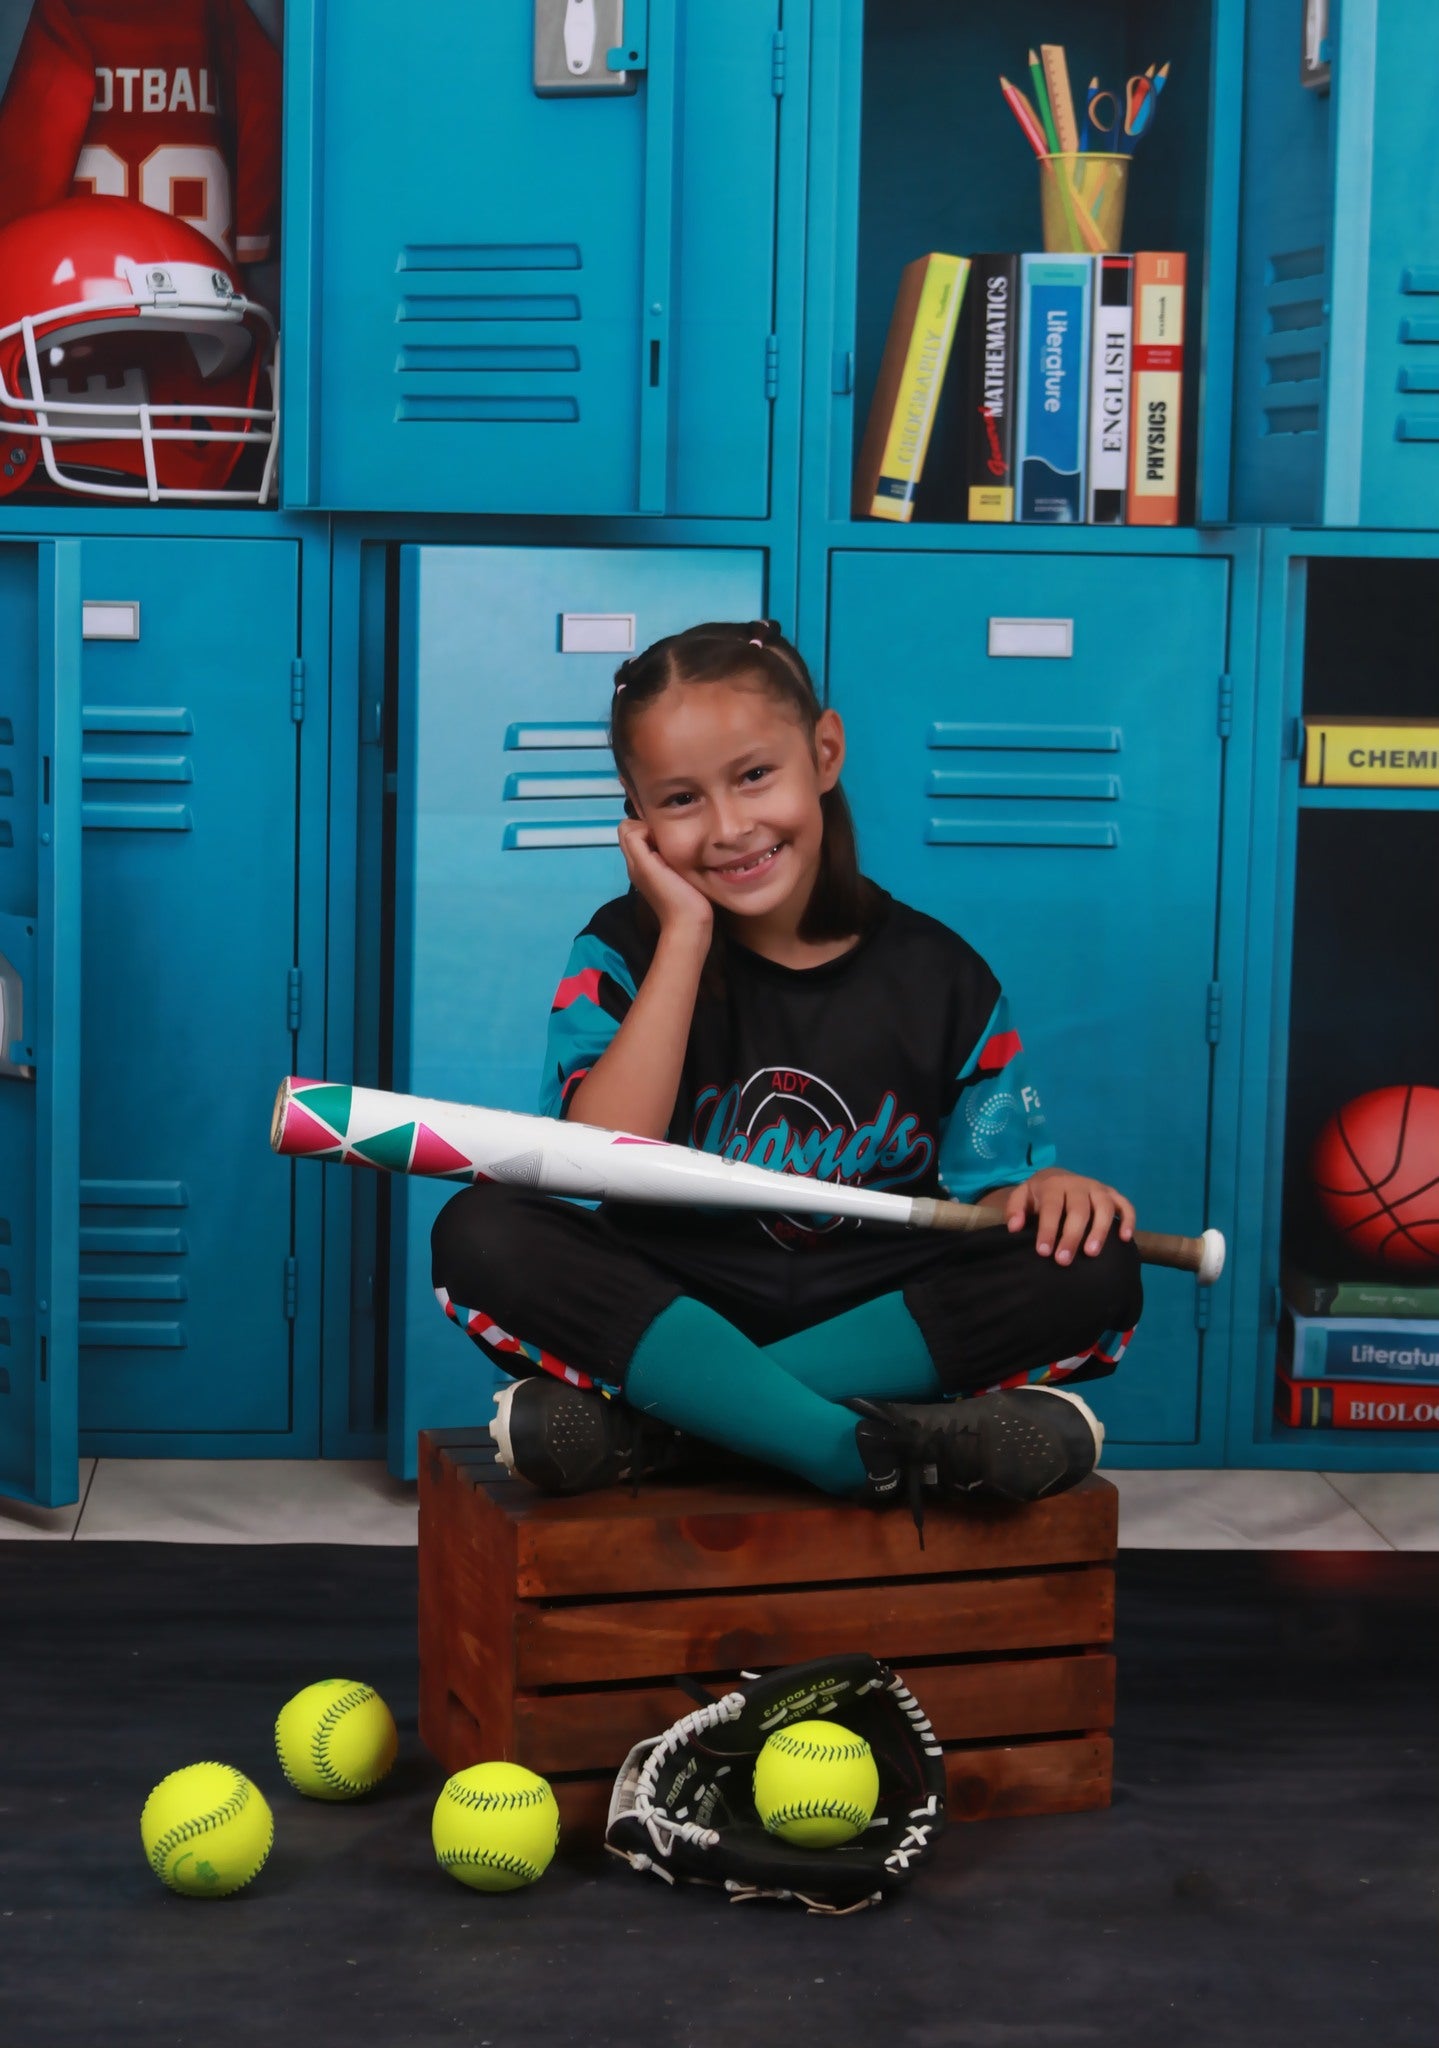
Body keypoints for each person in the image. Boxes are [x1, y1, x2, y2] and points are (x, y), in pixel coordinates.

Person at [431, 619, 1143, 1524]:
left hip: (876, 1313)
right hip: (674, 1308)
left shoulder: (943, 975)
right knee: (482, 1228)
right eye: (680, 800)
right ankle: (850, 1445)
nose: (730, 828)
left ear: (825, 752)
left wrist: (1048, 1190)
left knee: (1095, 1260)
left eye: (755, 775)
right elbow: (595, 1155)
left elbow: (992, 1196)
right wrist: (683, 937)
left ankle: (679, 1431)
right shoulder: (619, 949)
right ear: (637, 819)